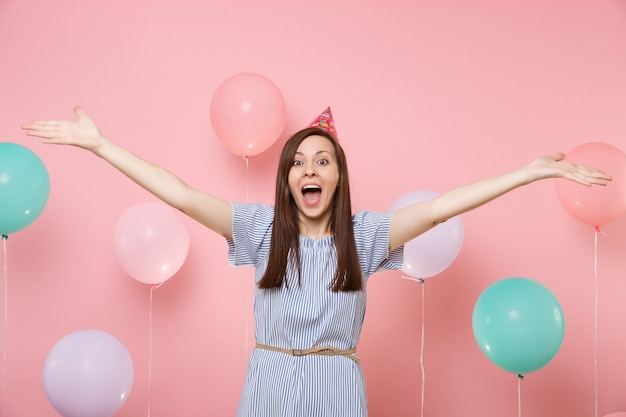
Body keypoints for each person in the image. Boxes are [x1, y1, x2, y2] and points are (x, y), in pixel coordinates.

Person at [22, 106, 611, 416]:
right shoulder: (259, 230)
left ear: (338, 177)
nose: (310, 168)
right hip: (270, 380)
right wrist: (101, 146)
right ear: (286, 178)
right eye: (299, 161)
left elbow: (440, 209)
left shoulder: (367, 235)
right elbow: (179, 193)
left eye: (323, 161)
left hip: (336, 384)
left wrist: (530, 174)